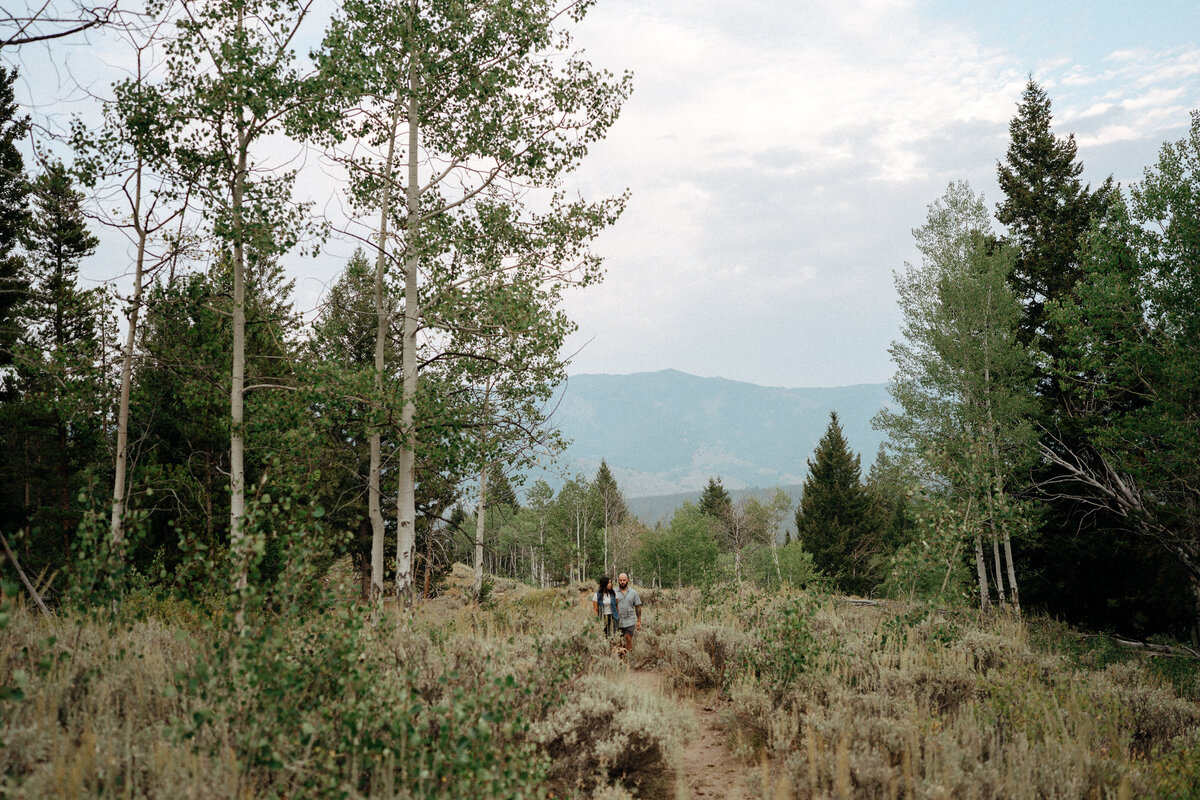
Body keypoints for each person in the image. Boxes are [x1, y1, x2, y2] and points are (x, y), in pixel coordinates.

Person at [615, 572, 642, 651]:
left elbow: (638, 607)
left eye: (624, 580)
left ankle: (628, 658)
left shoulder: (634, 593)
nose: (622, 582)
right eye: (620, 580)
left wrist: (639, 621)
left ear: (627, 580)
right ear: (618, 581)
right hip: (617, 621)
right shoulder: (613, 592)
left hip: (629, 620)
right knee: (619, 642)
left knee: (629, 639)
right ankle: (620, 660)